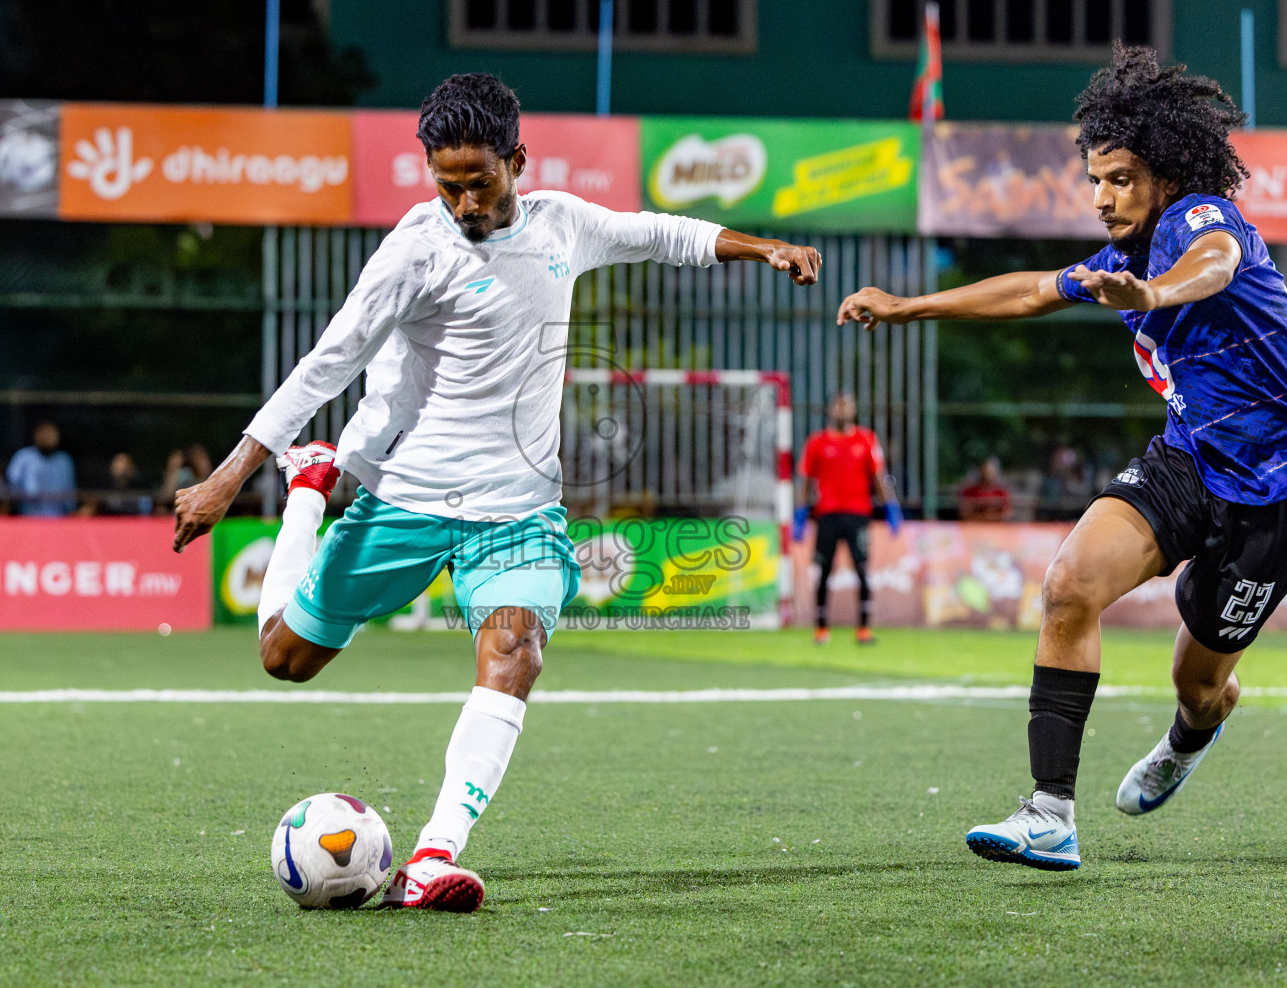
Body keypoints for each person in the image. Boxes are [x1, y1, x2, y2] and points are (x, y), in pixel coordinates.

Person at [172, 73, 821, 912]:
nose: (466, 201)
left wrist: (761, 246)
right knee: (285, 660)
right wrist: (232, 479)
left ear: (518, 160)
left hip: (517, 510)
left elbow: (663, 233)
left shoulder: (563, 225)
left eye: (481, 180)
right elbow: (325, 365)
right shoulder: (414, 248)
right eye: (448, 185)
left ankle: (435, 856)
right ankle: (311, 486)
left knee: (516, 653)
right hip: (408, 494)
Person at [840, 45, 1287, 872]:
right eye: (1095, 180)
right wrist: (907, 306)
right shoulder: (1118, 259)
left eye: (1120, 179)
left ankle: (1191, 738)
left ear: (1166, 174)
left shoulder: (1200, 220)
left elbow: (1213, 266)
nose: (1103, 197)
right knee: (1069, 584)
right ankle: (1049, 813)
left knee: (1199, 681)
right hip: (1189, 455)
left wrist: (1153, 294)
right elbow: (1033, 289)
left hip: (1280, 484)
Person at [797, 393, 894, 646]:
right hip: (827, 514)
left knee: (862, 570)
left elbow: (879, 476)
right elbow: (805, 480)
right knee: (824, 570)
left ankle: (863, 629)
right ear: (831, 411)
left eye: (847, 406)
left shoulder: (866, 439)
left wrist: (891, 507)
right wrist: (799, 513)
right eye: (838, 406)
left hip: (858, 514)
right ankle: (821, 629)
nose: (842, 411)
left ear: (853, 410)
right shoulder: (817, 442)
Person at [7, 422, 77, 517]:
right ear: (36, 435)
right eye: (43, 433)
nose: (46, 438)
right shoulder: (23, 456)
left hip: (58, 518)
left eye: (50, 434)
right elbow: (12, 486)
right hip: (28, 516)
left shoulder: (64, 460)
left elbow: (70, 490)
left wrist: (72, 511)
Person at [957, 457, 1013, 521]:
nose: (987, 474)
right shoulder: (968, 491)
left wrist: (991, 517)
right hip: (974, 527)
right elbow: (964, 514)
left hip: (997, 528)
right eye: (984, 471)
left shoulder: (1001, 492)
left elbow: (1008, 513)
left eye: (990, 472)